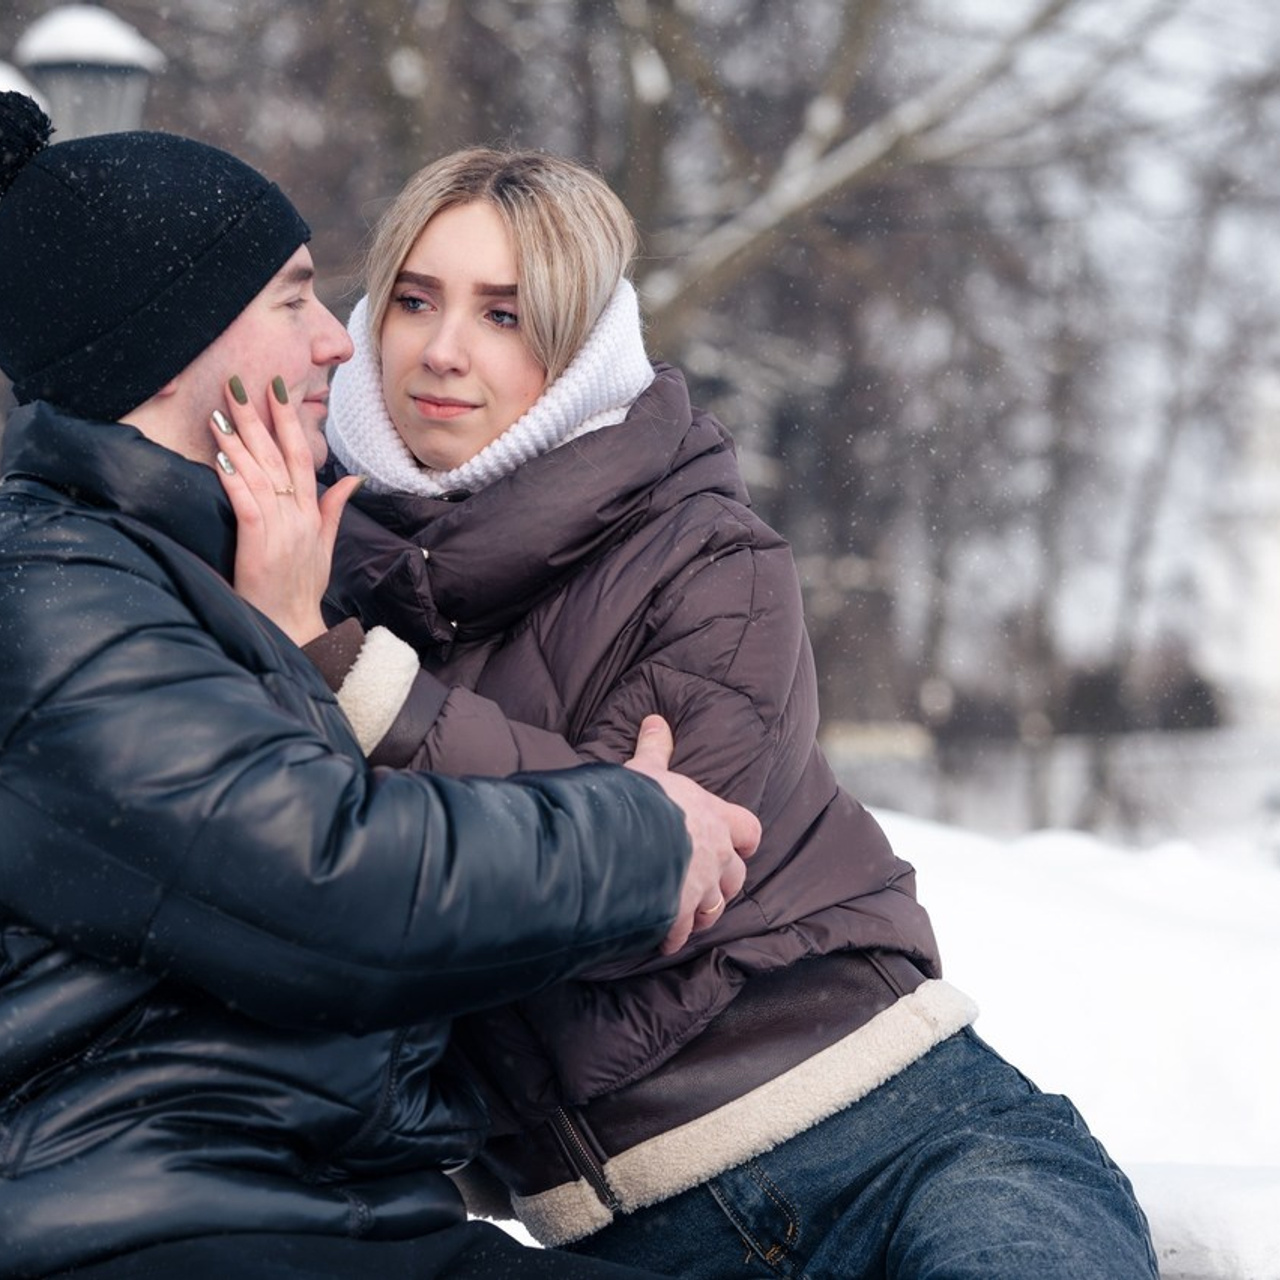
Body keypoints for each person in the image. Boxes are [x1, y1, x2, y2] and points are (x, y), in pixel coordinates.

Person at [248, 146, 1159, 1280]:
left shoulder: (703, 556)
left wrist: (353, 681)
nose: (441, 349)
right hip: (628, 1238)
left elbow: (644, 895)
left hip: (911, 1138)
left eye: (504, 314)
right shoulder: (309, 569)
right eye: (415, 300)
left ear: (577, 344)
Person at [0, 92, 761, 1280]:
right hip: (166, 1221)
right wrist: (639, 832)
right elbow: (326, 879)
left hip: (297, 1207)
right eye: (295, 298)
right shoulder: (54, 595)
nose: (339, 341)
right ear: (173, 338)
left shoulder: (173, 568)